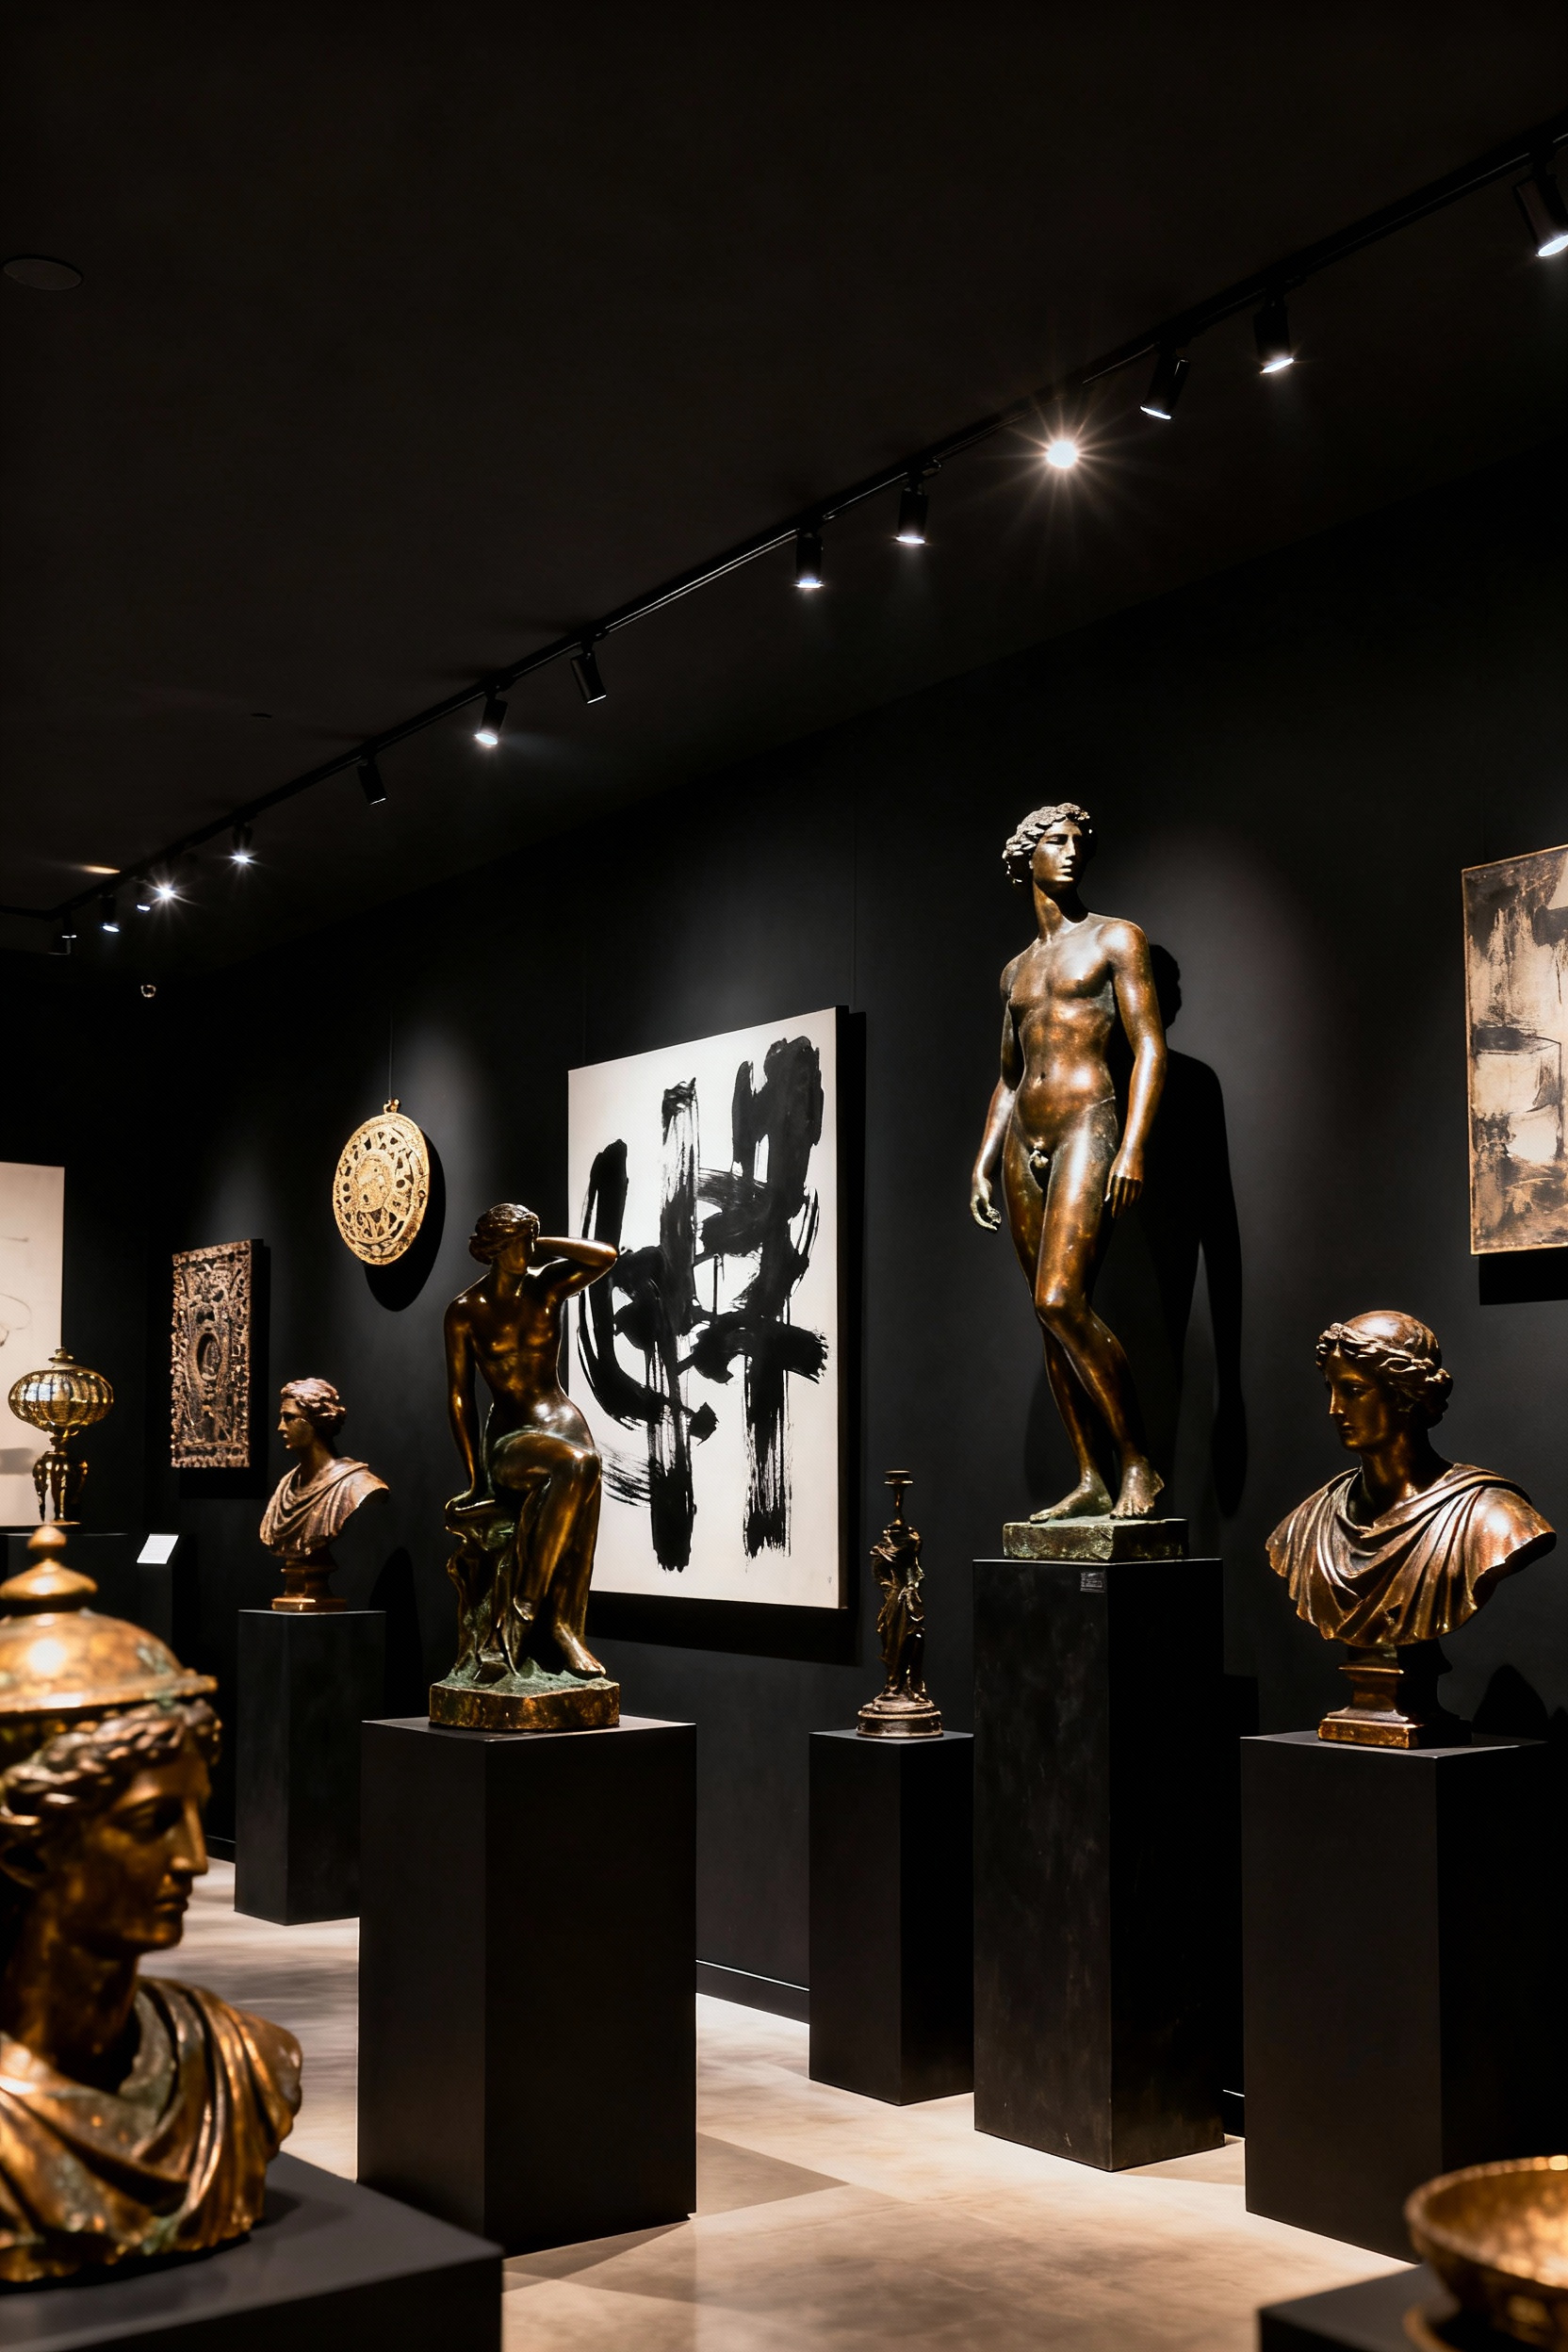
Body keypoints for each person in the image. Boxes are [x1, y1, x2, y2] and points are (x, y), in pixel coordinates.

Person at [0, 1697, 300, 2280]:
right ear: (29, 1853)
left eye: (197, 1814)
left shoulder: (247, 2060)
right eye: (152, 1823)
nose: (194, 1860)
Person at [971, 802, 1167, 1520]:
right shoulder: (1016, 971)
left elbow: (1148, 1045)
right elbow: (1009, 1074)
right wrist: (984, 1158)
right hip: (1028, 1137)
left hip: (1090, 1119)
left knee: (1061, 1299)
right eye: (1056, 842)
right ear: (1027, 858)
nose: (1072, 852)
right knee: (1044, 1316)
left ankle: (1139, 1463)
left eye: (1080, 841)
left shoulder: (1115, 939)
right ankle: (1091, 1475)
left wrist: (1136, 1142)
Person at [1266, 1310, 1554, 1646]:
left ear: (1405, 1394)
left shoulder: (1492, 1519)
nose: (1335, 1408)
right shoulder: (1303, 1527)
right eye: (1332, 1389)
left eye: (1354, 1390)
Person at [443, 1203, 619, 1682]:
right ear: (496, 1248)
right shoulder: (465, 1311)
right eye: (518, 1242)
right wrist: (477, 1479)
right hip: (512, 1437)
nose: (526, 1251)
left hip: (563, 1421)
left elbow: (605, 1256)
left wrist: (543, 1243)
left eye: (529, 1241)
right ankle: (521, 1616)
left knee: (583, 1475)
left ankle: (563, 1625)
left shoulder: (545, 1289)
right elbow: (461, 1399)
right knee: (578, 1466)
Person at [259, 1377, 388, 1609]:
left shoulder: (357, 1485)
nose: (280, 1427)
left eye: (289, 1418)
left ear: (315, 1421)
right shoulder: (285, 1486)